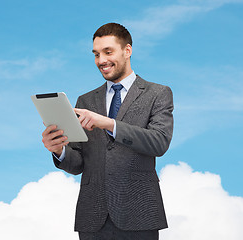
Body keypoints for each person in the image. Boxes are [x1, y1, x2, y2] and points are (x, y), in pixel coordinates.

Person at [42, 22, 174, 240]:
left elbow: (159, 142)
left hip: (139, 215)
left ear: (127, 51)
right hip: (93, 218)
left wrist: (108, 124)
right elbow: (78, 164)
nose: (101, 60)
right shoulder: (86, 100)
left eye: (108, 52)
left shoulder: (158, 93)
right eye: (96, 54)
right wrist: (59, 150)